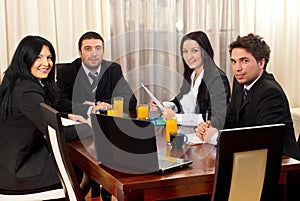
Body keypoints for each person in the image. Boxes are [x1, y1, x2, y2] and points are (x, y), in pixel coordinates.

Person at [0, 35, 87, 193]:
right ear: (25, 58)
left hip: (8, 165)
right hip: (18, 172)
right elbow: (57, 131)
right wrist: (91, 127)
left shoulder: (16, 82)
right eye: (38, 57)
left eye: (49, 57)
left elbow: (40, 114)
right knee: (79, 170)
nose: (46, 63)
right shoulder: (27, 91)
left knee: (77, 167)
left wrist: (67, 116)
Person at [197, 33, 300, 160]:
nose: (237, 68)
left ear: (261, 63)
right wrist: (210, 126)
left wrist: (214, 137)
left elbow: (261, 140)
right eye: (234, 62)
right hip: (251, 158)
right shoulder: (240, 83)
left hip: (281, 164)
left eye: (244, 61)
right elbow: (229, 116)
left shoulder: (270, 92)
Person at [151, 31, 230, 129]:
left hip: (205, 137)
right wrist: (164, 105)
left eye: (194, 51)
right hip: (188, 133)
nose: (189, 57)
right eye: (185, 51)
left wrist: (176, 117)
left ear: (204, 52)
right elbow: (180, 101)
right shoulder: (191, 74)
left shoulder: (218, 79)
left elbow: (213, 118)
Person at [56, 31, 137, 119]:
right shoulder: (66, 72)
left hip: (107, 124)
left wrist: (98, 105)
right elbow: (60, 103)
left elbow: (131, 100)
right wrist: (90, 109)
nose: (94, 54)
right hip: (80, 124)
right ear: (80, 52)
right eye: (88, 49)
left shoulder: (113, 69)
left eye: (98, 48)